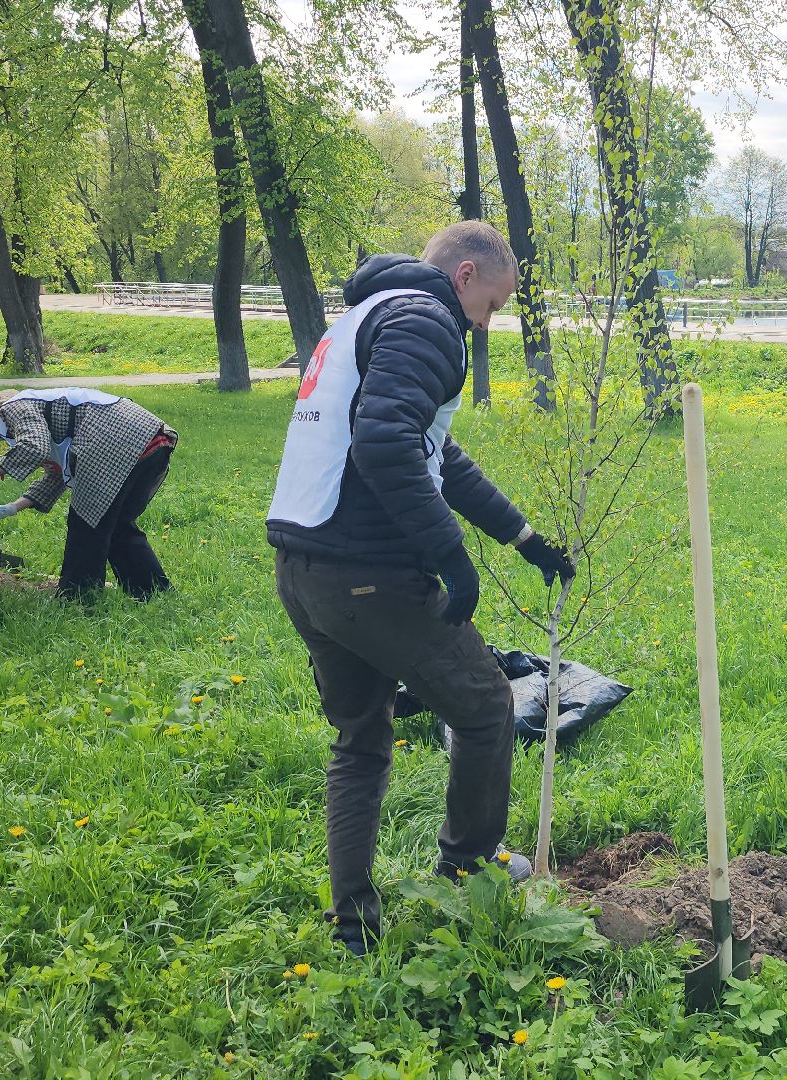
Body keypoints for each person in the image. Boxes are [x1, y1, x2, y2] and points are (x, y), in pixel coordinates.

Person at [267, 220, 574, 956]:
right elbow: (384, 443)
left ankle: (353, 925)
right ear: (465, 277)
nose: (485, 323)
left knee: (361, 738)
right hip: (368, 572)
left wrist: (521, 536)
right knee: (483, 706)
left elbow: (438, 453)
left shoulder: (367, 317)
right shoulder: (428, 319)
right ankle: (470, 868)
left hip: (302, 564)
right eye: (492, 307)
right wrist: (452, 559)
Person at [0, 388, 176, 600]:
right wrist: (11, 508)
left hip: (114, 439)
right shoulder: (47, 413)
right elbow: (55, 474)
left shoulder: (11, 408)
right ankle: (152, 591)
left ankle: (78, 598)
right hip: (153, 439)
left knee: (85, 523)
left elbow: (33, 447)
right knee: (118, 524)